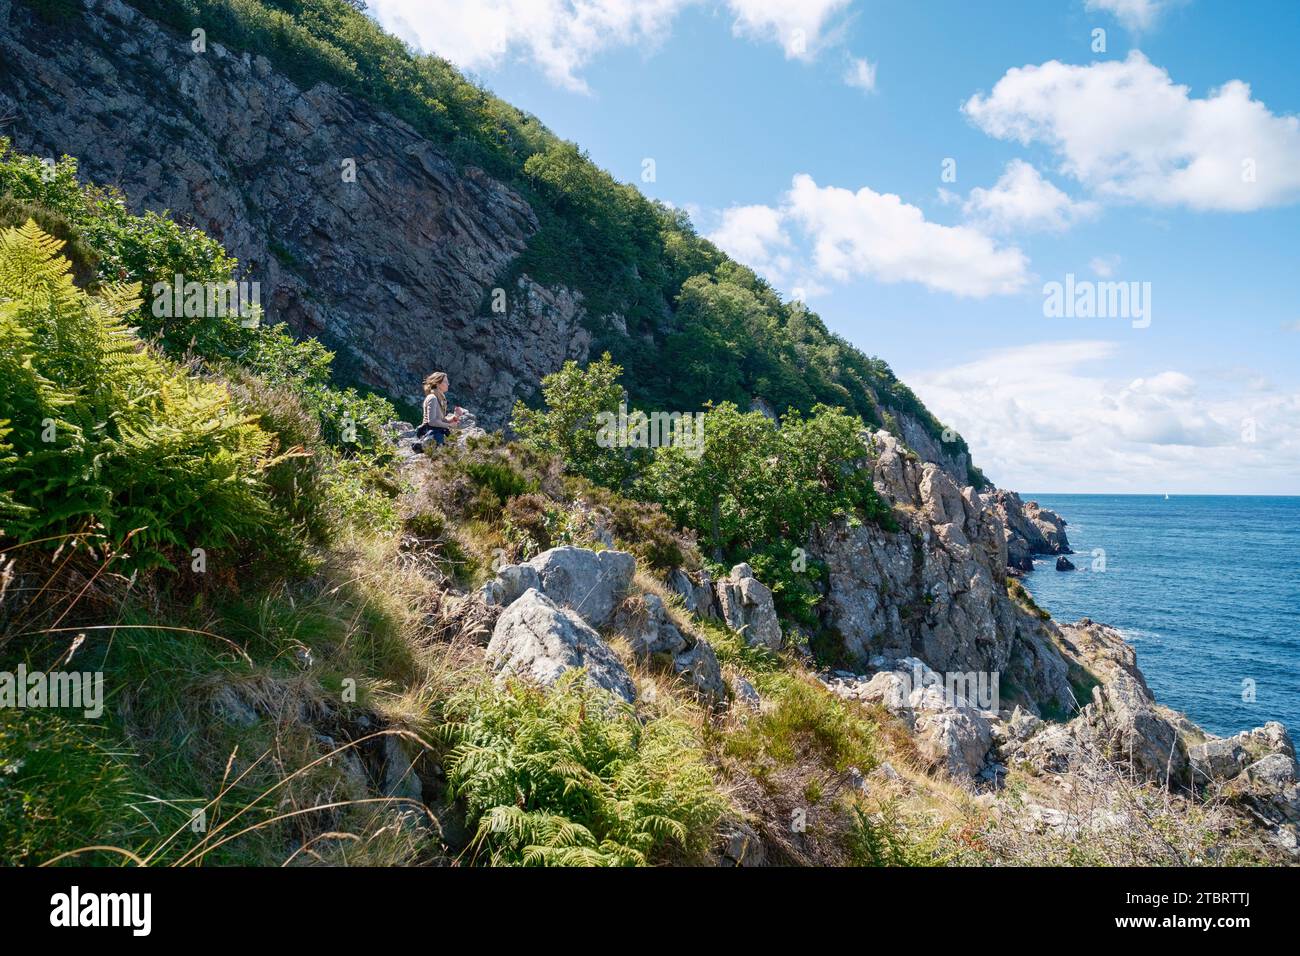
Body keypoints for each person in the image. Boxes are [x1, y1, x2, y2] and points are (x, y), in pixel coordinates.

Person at [413, 371, 461, 452]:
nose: (448, 384)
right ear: (438, 384)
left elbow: (440, 420)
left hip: (436, 430)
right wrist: (449, 425)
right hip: (428, 431)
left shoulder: (440, 398)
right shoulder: (433, 398)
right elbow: (432, 421)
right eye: (446, 382)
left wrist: (454, 417)